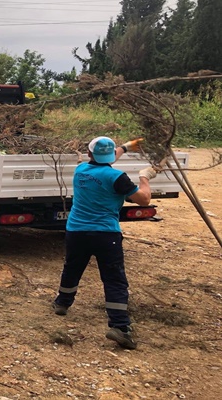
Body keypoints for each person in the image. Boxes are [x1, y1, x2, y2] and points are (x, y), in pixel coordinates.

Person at [53, 136, 158, 350]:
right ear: (109, 157)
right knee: (114, 279)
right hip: (105, 234)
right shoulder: (117, 178)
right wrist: (144, 177)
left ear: (89, 154)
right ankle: (120, 327)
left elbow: (103, 162)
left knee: (72, 267)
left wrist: (126, 147)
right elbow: (144, 200)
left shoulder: (81, 170)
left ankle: (62, 303)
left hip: (76, 231)